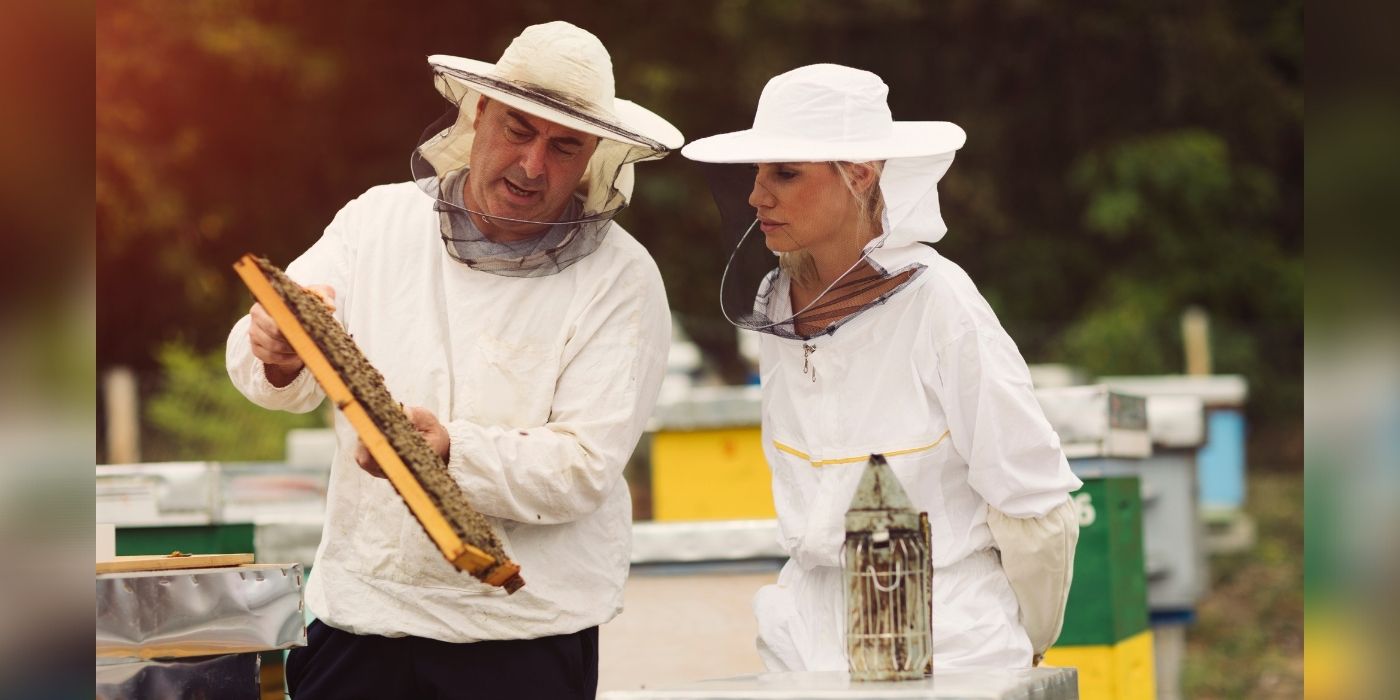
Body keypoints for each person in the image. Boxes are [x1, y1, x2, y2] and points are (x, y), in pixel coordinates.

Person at [226, 21, 682, 699]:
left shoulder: (623, 280)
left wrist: (448, 452)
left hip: (520, 640)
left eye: (565, 146)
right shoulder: (375, 224)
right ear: (478, 116)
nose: (532, 165)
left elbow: (583, 467)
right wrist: (277, 349)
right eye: (518, 130)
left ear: (593, 158)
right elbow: (264, 356)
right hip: (361, 623)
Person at [681, 64, 1083, 671]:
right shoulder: (777, 305)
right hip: (807, 643)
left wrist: (1027, 646)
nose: (758, 195)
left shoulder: (943, 305)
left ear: (860, 173)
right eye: (757, 173)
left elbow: (1034, 502)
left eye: (785, 173)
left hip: (949, 645)